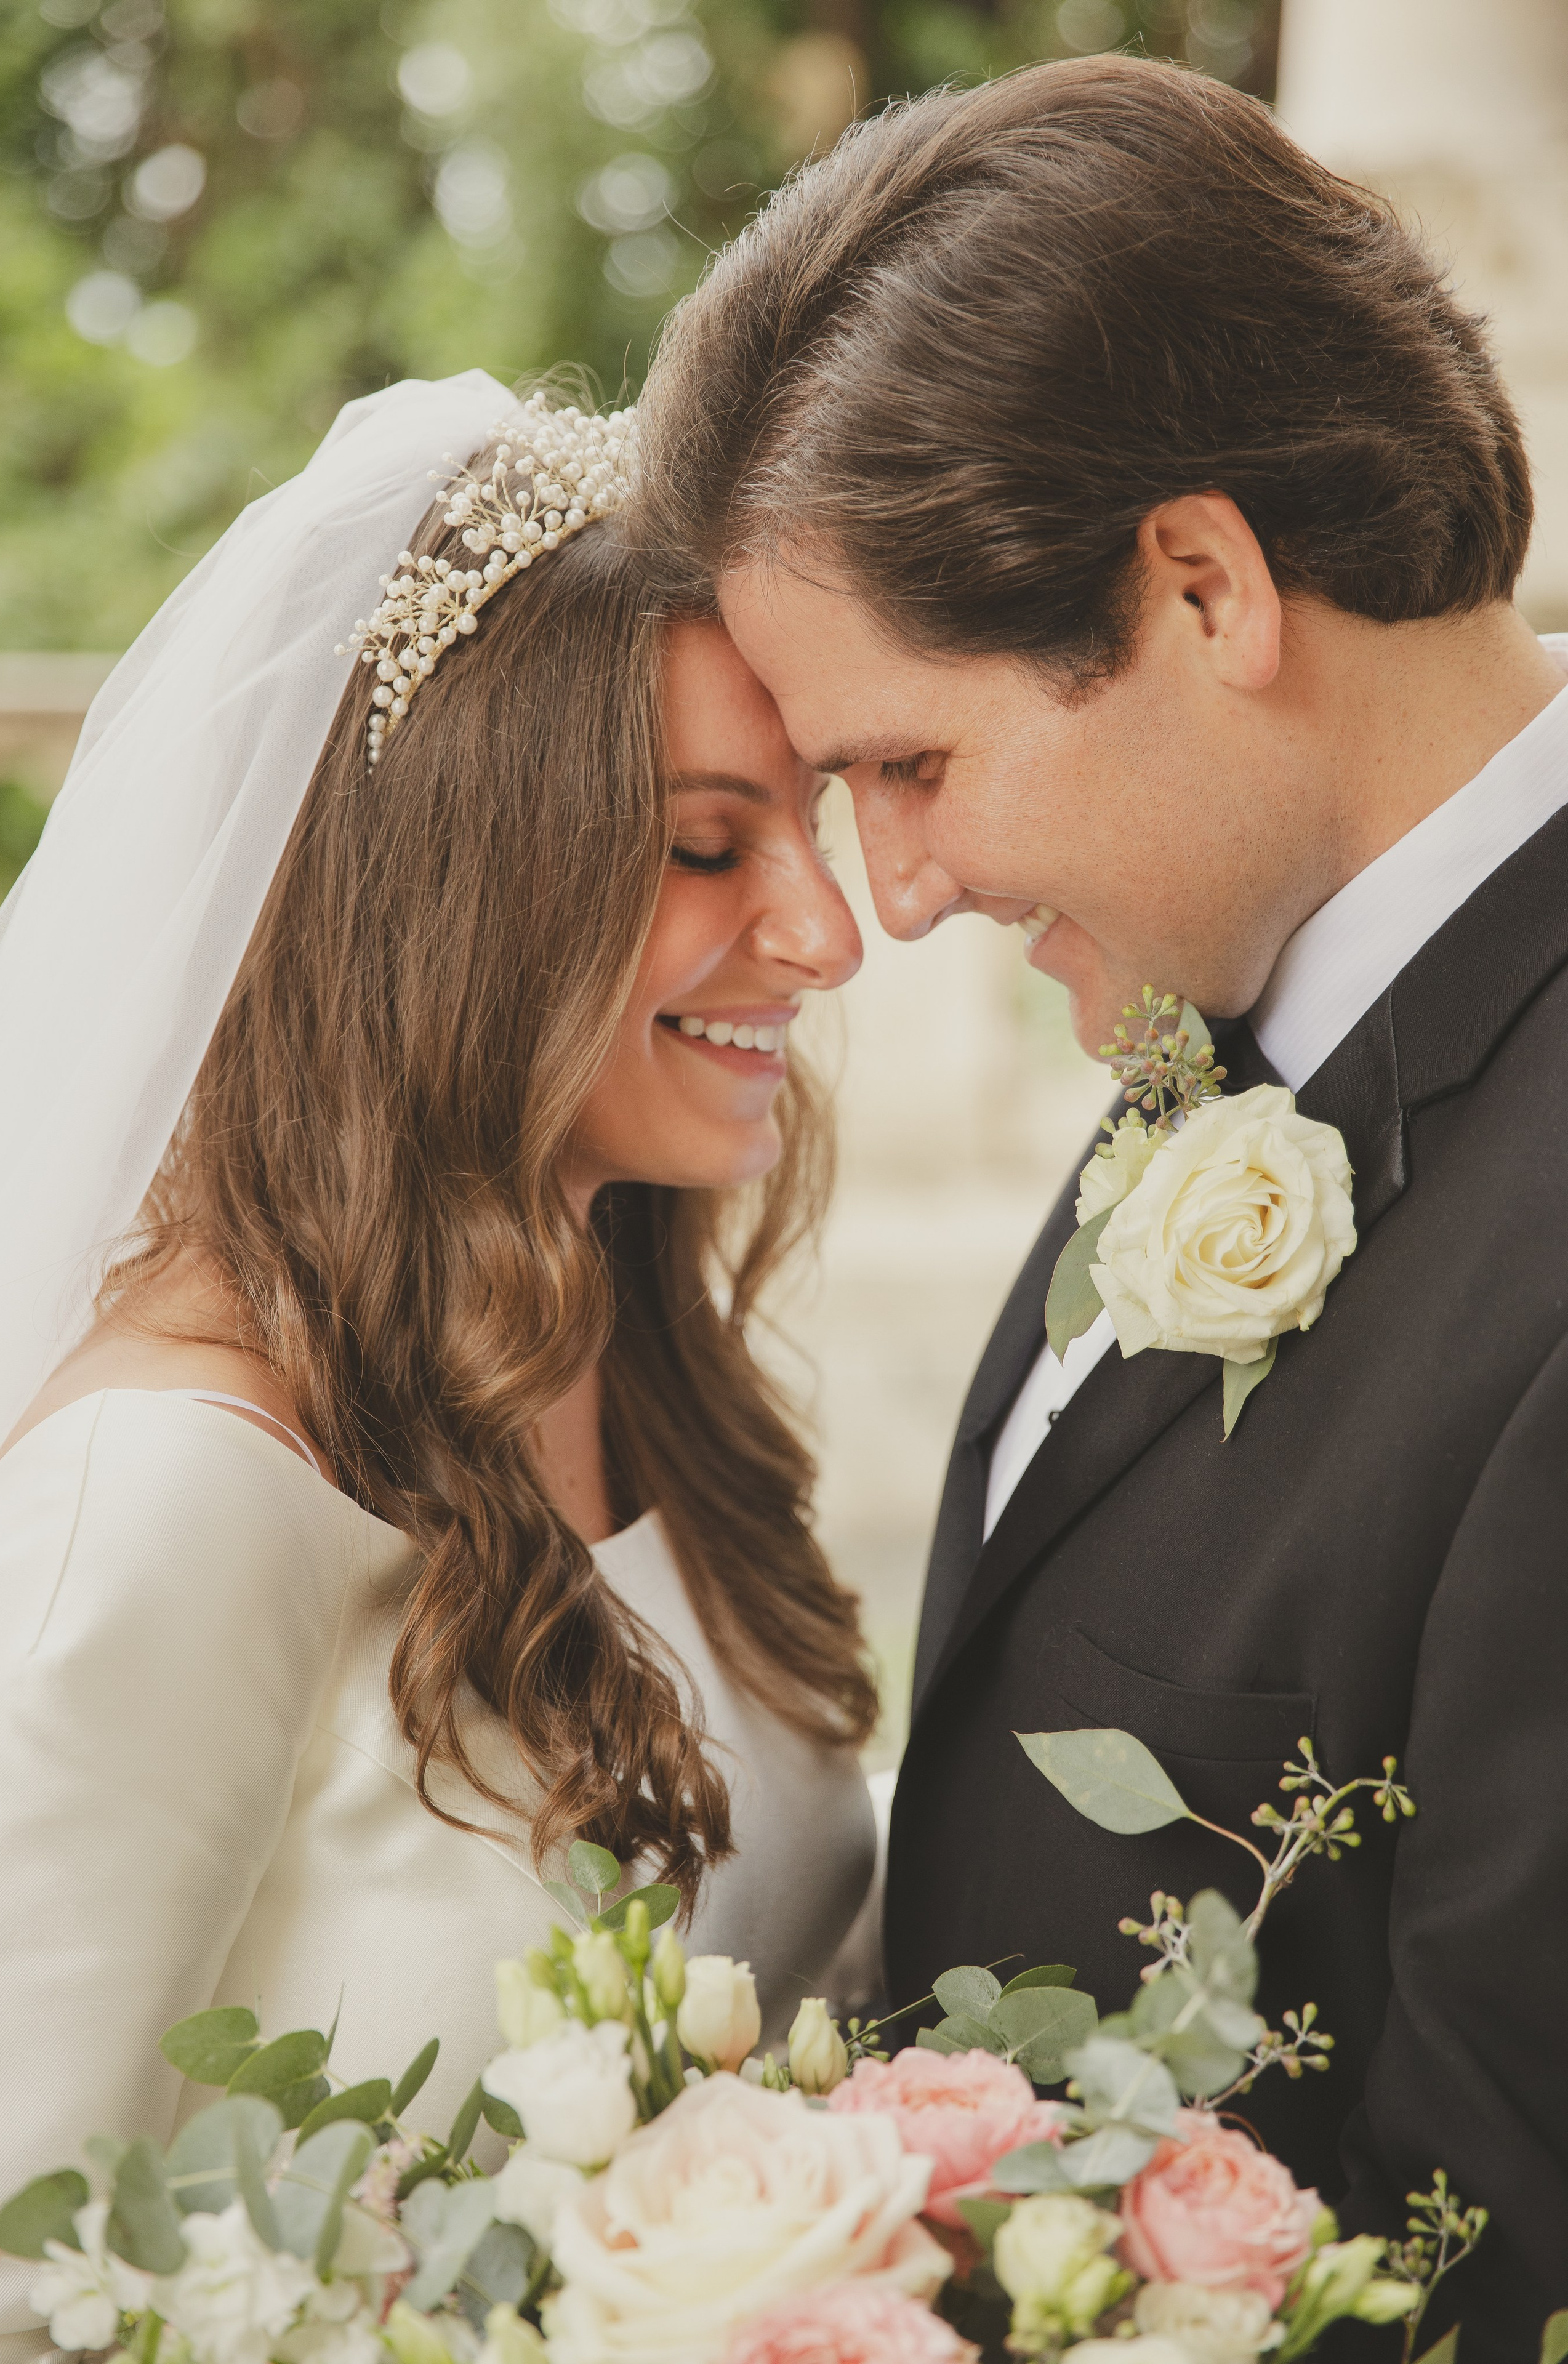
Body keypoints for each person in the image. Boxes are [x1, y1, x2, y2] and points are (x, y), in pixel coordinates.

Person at [634, 54, 1568, 2354]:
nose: (900, 892)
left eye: (912, 768)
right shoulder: (1243, 990)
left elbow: (1507, 2242)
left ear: (1200, 583)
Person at [0, 372, 878, 2355]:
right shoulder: (173, 1495)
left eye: (809, 820)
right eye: (710, 849)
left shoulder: (654, 1368)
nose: (829, 929)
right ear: (477, 901)